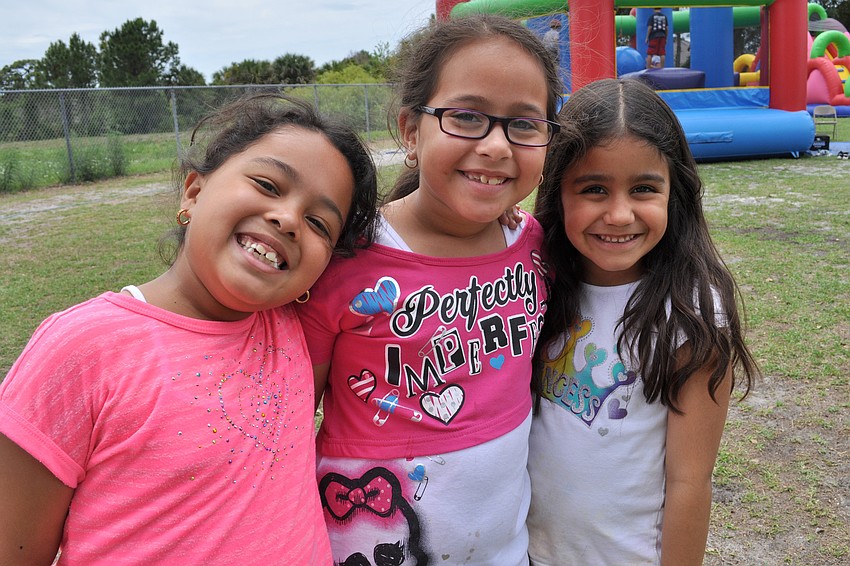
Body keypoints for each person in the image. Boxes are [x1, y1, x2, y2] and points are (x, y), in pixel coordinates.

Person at [0, 93, 377, 565]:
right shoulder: (82, 346)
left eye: (320, 223)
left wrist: (497, 214)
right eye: (267, 183)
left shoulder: (293, 330)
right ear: (194, 192)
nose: (288, 219)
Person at [296, 14, 562, 566]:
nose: (495, 145)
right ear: (412, 132)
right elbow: (291, 423)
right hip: (371, 542)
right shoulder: (346, 259)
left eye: (524, 124)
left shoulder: (535, 246)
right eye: (466, 117)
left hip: (504, 550)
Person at [527, 78, 758, 565]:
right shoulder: (530, 286)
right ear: (557, 192)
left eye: (644, 189)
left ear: (674, 193)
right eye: (593, 188)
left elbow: (689, 482)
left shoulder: (692, 313)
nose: (618, 214)